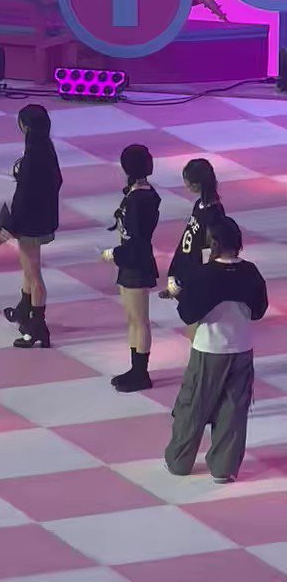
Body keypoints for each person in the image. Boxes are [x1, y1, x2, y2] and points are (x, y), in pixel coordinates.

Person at [165, 217, 268, 484]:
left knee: (193, 405)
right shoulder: (251, 272)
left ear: (214, 243)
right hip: (242, 347)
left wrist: (179, 295)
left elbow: (188, 314)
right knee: (234, 409)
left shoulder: (204, 274)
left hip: (209, 349)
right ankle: (224, 467)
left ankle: (179, 460)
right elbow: (258, 310)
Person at [3, 105, 62, 350]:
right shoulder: (47, 148)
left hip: (29, 222)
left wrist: (11, 224)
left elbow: (23, 196)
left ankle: (38, 325)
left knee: (33, 273)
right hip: (42, 218)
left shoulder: (32, 157)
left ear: (25, 126)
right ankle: (26, 311)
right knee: (29, 270)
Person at [102, 144, 161, 393]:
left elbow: (137, 240)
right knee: (132, 319)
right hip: (130, 260)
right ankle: (135, 367)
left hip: (136, 262)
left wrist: (114, 254)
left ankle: (141, 372)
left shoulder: (140, 200)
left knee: (140, 320)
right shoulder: (139, 194)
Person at [160, 158, 225, 312]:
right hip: (186, 266)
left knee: (195, 317)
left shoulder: (213, 213)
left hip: (196, 272)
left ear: (196, 184)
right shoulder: (199, 205)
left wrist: (197, 276)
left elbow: (210, 248)